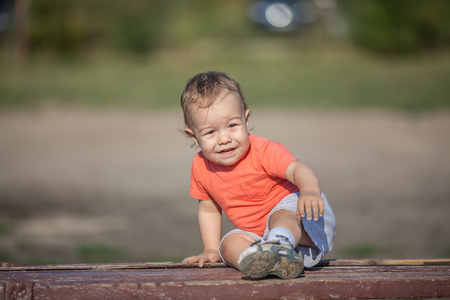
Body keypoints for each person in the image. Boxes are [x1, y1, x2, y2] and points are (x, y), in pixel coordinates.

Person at [180, 71, 335, 279]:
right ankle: (256, 261)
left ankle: (280, 245)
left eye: (232, 126)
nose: (224, 138)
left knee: (280, 216)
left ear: (245, 120)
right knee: (228, 244)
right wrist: (210, 249)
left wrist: (310, 191)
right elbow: (209, 209)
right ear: (195, 137)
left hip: (304, 221)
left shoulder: (263, 151)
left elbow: (298, 169)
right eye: (210, 132)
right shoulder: (201, 167)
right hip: (259, 238)